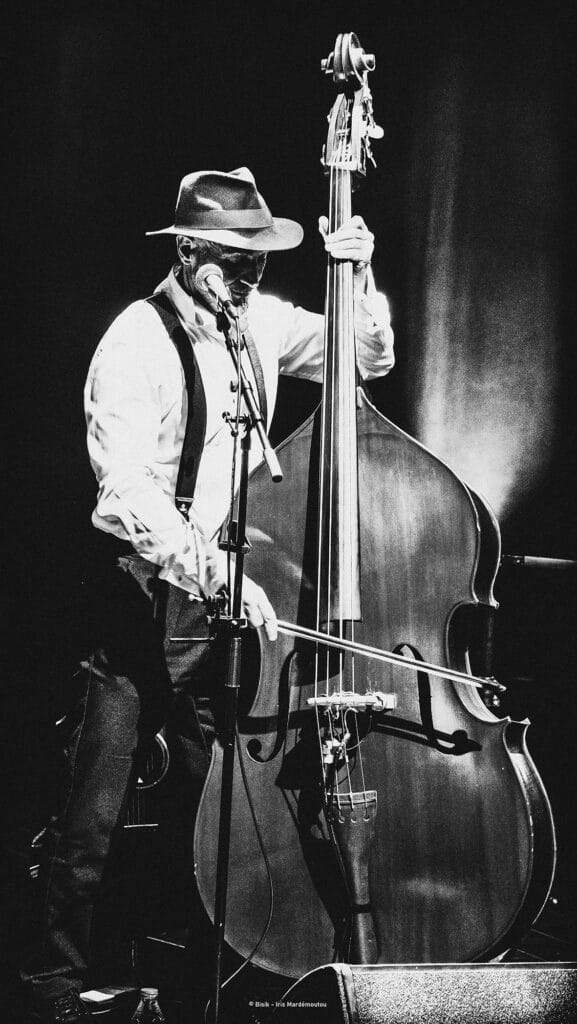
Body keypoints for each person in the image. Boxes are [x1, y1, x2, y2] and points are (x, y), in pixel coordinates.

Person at [20, 167, 394, 1023]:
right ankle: (53, 988)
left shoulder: (255, 319)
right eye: (232, 258)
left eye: (258, 259)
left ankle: (198, 979)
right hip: (133, 589)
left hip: (213, 600)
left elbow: (364, 359)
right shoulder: (135, 341)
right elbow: (125, 494)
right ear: (187, 250)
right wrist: (212, 571)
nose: (249, 275)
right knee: (94, 811)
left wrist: (359, 276)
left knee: (214, 803)